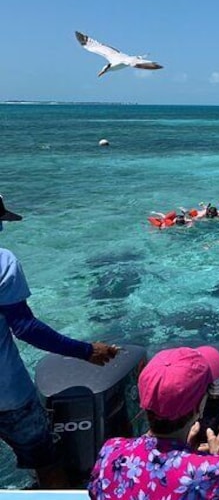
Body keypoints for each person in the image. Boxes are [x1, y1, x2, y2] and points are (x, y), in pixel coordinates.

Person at [0, 194, 118, 488]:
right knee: (46, 462)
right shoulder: (3, 262)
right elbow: (25, 327)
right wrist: (86, 351)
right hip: (8, 395)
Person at [88, 346, 219, 499]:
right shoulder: (212, 472)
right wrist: (218, 458)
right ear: (200, 404)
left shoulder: (111, 452)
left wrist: (187, 454)